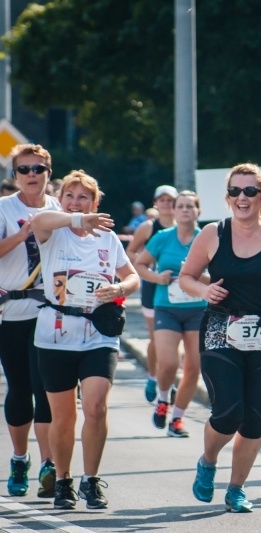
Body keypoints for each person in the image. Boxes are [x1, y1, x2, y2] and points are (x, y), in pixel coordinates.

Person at [179, 163, 261, 512]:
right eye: (235, 191)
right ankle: (208, 460)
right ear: (227, 197)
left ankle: (236, 488)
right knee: (228, 411)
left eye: (250, 191)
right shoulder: (213, 233)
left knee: (253, 420)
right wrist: (203, 292)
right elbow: (187, 277)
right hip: (222, 330)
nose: (242, 198)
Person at [31, 170, 139, 510]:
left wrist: (120, 288)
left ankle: (91, 480)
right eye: (70, 196)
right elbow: (39, 219)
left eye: (84, 197)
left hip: (98, 334)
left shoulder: (107, 239)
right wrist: (76, 218)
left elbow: (132, 275)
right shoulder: (53, 231)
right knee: (63, 416)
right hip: (55, 334)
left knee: (96, 406)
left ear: (96, 203)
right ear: (61, 200)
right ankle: (64, 480)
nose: (76, 202)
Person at [0, 144, 58, 498]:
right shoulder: (5, 209)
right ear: (15, 176)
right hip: (13, 313)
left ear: (49, 172)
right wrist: (22, 235)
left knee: (48, 391)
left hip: (51, 312)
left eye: (38, 168)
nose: (32, 175)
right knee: (20, 389)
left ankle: (49, 464)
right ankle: (20, 458)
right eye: (24, 170)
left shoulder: (60, 208)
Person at [133, 190, 205, 438]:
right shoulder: (162, 237)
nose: (185, 210)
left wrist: (196, 276)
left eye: (190, 206)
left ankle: (177, 419)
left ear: (198, 211)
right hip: (167, 307)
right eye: (181, 206)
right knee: (169, 363)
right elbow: (140, 264)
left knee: (194, 367)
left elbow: (219, 275)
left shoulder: (206, 238)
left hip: (197, 309)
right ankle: (163, 399)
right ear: (173, 211)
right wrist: (156, 277)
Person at [126, 185, 177, 402]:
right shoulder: (148, 227)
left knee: (175, 342)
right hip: (153, 288)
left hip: (178, 291)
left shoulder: (184, 227)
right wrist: (146, 265)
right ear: (155, 202)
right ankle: (153, 376)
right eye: (162, 200)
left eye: (170, 200)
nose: (166, 203)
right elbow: (130, 251)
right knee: (157, 338)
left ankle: (169, 381)